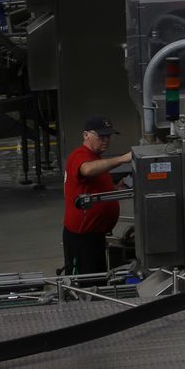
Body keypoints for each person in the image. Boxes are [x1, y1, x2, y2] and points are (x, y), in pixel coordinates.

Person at [62, 116, 132, 276]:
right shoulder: (80, 155)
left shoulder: (95, 157)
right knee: (87, 283)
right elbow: (86, 170)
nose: (106, 140)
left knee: (98, 280)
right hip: (83, 238)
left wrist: (115, 188)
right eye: (101, 136)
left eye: (108, 136)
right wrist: (123, 158)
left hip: (95, 236)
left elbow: (91, 186)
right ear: (86, 135)